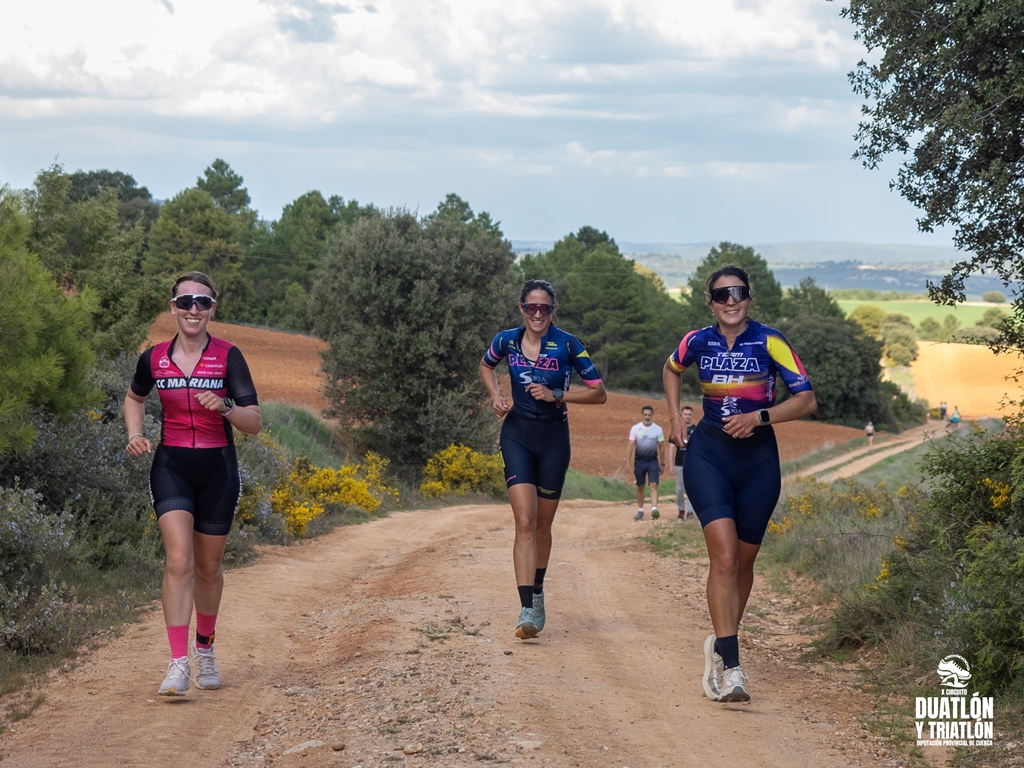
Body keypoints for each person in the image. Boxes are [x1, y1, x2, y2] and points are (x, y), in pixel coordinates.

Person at [663, 264, 817, 703]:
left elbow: (807, 399)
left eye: (738, 293)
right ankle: (732, 667)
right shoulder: (697, 340)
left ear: (749, 298)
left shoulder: (771, 340)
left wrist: (760, 416)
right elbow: (671, 370)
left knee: (744, 565)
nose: (730, 301)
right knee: (725, 558)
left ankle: (722, 640)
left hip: (758, 460)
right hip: (708, 454)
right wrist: (676, 417)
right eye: (721, 294)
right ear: (709, 301)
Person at [124, 271, 262, 696]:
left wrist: (223, 406)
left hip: (218, 469)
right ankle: (177, 664)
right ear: (173, 308)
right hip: (171, 464)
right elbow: (135, 397)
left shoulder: (228, 356)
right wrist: (134, 434)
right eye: (186, 302)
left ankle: (204, 648)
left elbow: (254, 422)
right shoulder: (153, 358)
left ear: (212, 309)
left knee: (208, 568)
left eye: (202, 302)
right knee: (179, 562)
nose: (193, 310)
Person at [480, 279, 607, 639]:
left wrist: (557, 394)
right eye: (531, 307)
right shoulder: (506, 340)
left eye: (545, 308)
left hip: (554, 440)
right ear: (521, 308)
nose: (538, 314)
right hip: (516, 433)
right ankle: (526, 609)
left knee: (541, 527)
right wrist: (495, 395)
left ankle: (537, 591)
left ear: (553, 310)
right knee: (524, 519)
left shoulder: (568, 344)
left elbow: (599, 394)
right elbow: (486, 366)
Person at [627, 406, 666, 520]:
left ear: (652, 416)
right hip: (639, 461)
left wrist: (662, 464)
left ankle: (654, 509)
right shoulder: (635, 428)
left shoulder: (658, 429)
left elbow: (662, 447)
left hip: (653, 461)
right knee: (640, 486)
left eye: (649, 415)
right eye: (645, 415)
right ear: (642, 415)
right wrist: (628, 462)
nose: (647, 417)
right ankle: (640, 510)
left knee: (654, 484)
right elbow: (630, 445)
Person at [672, 406, 697, 520]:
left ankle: (690, 512)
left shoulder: (696, 430)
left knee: (691, 489)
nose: (687, 416)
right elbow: (671, 447)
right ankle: (681, 510)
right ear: (681, 415)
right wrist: (670, 464)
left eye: (689, 414)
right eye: (685, 414)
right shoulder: (677, 429)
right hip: (679, 463)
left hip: (692, 464)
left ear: (692, 416)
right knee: (679, 489)